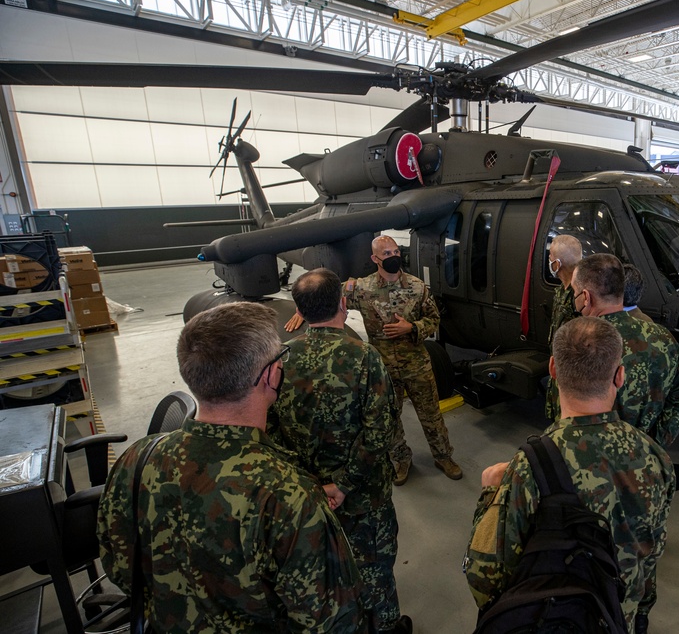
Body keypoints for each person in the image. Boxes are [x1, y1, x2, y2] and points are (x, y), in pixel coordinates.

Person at [98, 303, 368, 633]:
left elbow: (118, 565)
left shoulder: (138, 458)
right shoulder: (286, 492)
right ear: (270, 375)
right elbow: (331, 619)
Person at [464, 317, 675, 633]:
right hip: (617, 615)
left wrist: (489, 496)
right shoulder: (655, 455)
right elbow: (651, 550)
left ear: (552, 369)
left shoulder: (529, 466)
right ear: (619, 376)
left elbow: (485, 578)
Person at [268, 269, 410, 634]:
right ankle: (386, 626)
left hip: (308, 497)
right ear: (343, 304)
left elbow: (270, 431)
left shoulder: (280, 361)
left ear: (299, 310)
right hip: (363, 497)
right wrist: (344, 485)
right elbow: (380, 431)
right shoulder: (364, 358)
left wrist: (311, 483)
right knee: (375, 566)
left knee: (320, 566)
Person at [346, 235, 461, 485]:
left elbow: (434, 319)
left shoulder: (417, 287)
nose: (393, 256)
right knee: (390, 418)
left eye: (396, 251)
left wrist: (411, 327)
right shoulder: (362, 288)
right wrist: (303, 310)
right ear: (375, 259)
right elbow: (329, 293)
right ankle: (400, 460)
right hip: (384, 369)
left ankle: (443, 456)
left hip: (417, 365)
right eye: (386, 254)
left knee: (431, 414)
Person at [571, 253, 679, 447]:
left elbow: (566, 412)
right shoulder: (662, 337)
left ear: (586, 297)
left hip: (592, 461)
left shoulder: (577, 343)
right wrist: (653, 444)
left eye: (574, 291)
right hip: (645, 460)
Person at [543, 235, 583, 419]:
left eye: (551, 256)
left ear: (558, 263)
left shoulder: (580, 294)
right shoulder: (561, 290)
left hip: (573, 374)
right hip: (558, 366)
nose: (548, 259)